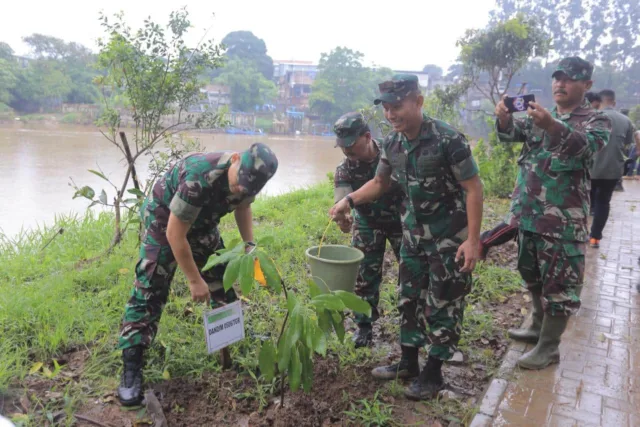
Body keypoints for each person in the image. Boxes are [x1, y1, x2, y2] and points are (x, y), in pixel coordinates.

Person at [330, 74, 483, 400]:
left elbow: (473, 188)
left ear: (418, 102)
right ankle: (409, 362)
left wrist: (472, 239)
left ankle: (433, 373)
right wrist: (349, 200)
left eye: (397, 106)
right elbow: (380, 183)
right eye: (386, 108)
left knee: (444, 301)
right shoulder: (394, 144)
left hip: (447, 239)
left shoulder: (447, 139)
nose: (391, 114)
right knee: (409, 299)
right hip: (412, 235)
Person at [117, 143, 279, 406]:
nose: (241, 190)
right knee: (151, 284)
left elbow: (243, 208)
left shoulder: (248, 180)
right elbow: (174, 234)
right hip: (164, 218)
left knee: (222, 280)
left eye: (249, 188)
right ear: (235, 159)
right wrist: (194, 279)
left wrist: (250, 246)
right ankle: (132, 365)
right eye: (240, 183)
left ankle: (226, 343)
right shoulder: (200, 177)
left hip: (203, 223)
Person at [495, 57, 611, 370]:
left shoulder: (596, 121)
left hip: (562, 222)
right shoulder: (540, 116)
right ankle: (535, 326)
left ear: (586, 85)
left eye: (570, 79)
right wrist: (504, 119)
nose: (560, 84)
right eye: (557, 78)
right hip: (529, 215)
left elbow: (585, 147)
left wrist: (551, 125)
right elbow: (512, 133)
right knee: (531, 275)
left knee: (560, 288)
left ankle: (549, 347)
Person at [332, 112, 404, 348]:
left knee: (412, 270)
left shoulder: (391, 151)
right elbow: (341, 201)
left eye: (351, 146)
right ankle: (364, 326)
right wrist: (342, 218)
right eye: (343, 148)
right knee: (364, 276)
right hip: (367, 222)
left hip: (401, 219)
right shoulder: (345, 169)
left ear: (367, 136)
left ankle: (411, 322)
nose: (347, 153)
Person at [589, 90, 635, 248]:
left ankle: (577, 235)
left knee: (582, 201)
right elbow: (628, 143)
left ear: (599, 101)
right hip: (612, 169)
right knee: (603, 202)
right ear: (614, 103)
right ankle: (595, 238)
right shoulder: (626, 120)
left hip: (589, 168)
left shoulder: (591, 116)